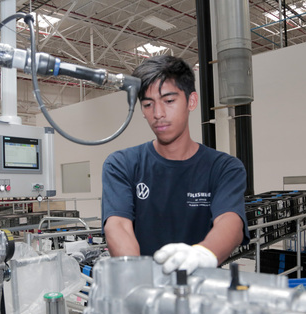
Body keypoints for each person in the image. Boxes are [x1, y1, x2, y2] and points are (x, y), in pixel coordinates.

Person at [101, 54, 250, 274]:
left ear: (191, 101)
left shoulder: (224, 168)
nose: (158, 114)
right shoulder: (122, 164)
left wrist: (204, 253)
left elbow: (230, 222)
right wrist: (139, 277)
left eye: (169, 101)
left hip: (201, 291)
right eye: (148, 104)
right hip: (143, 291)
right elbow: (118, 225)